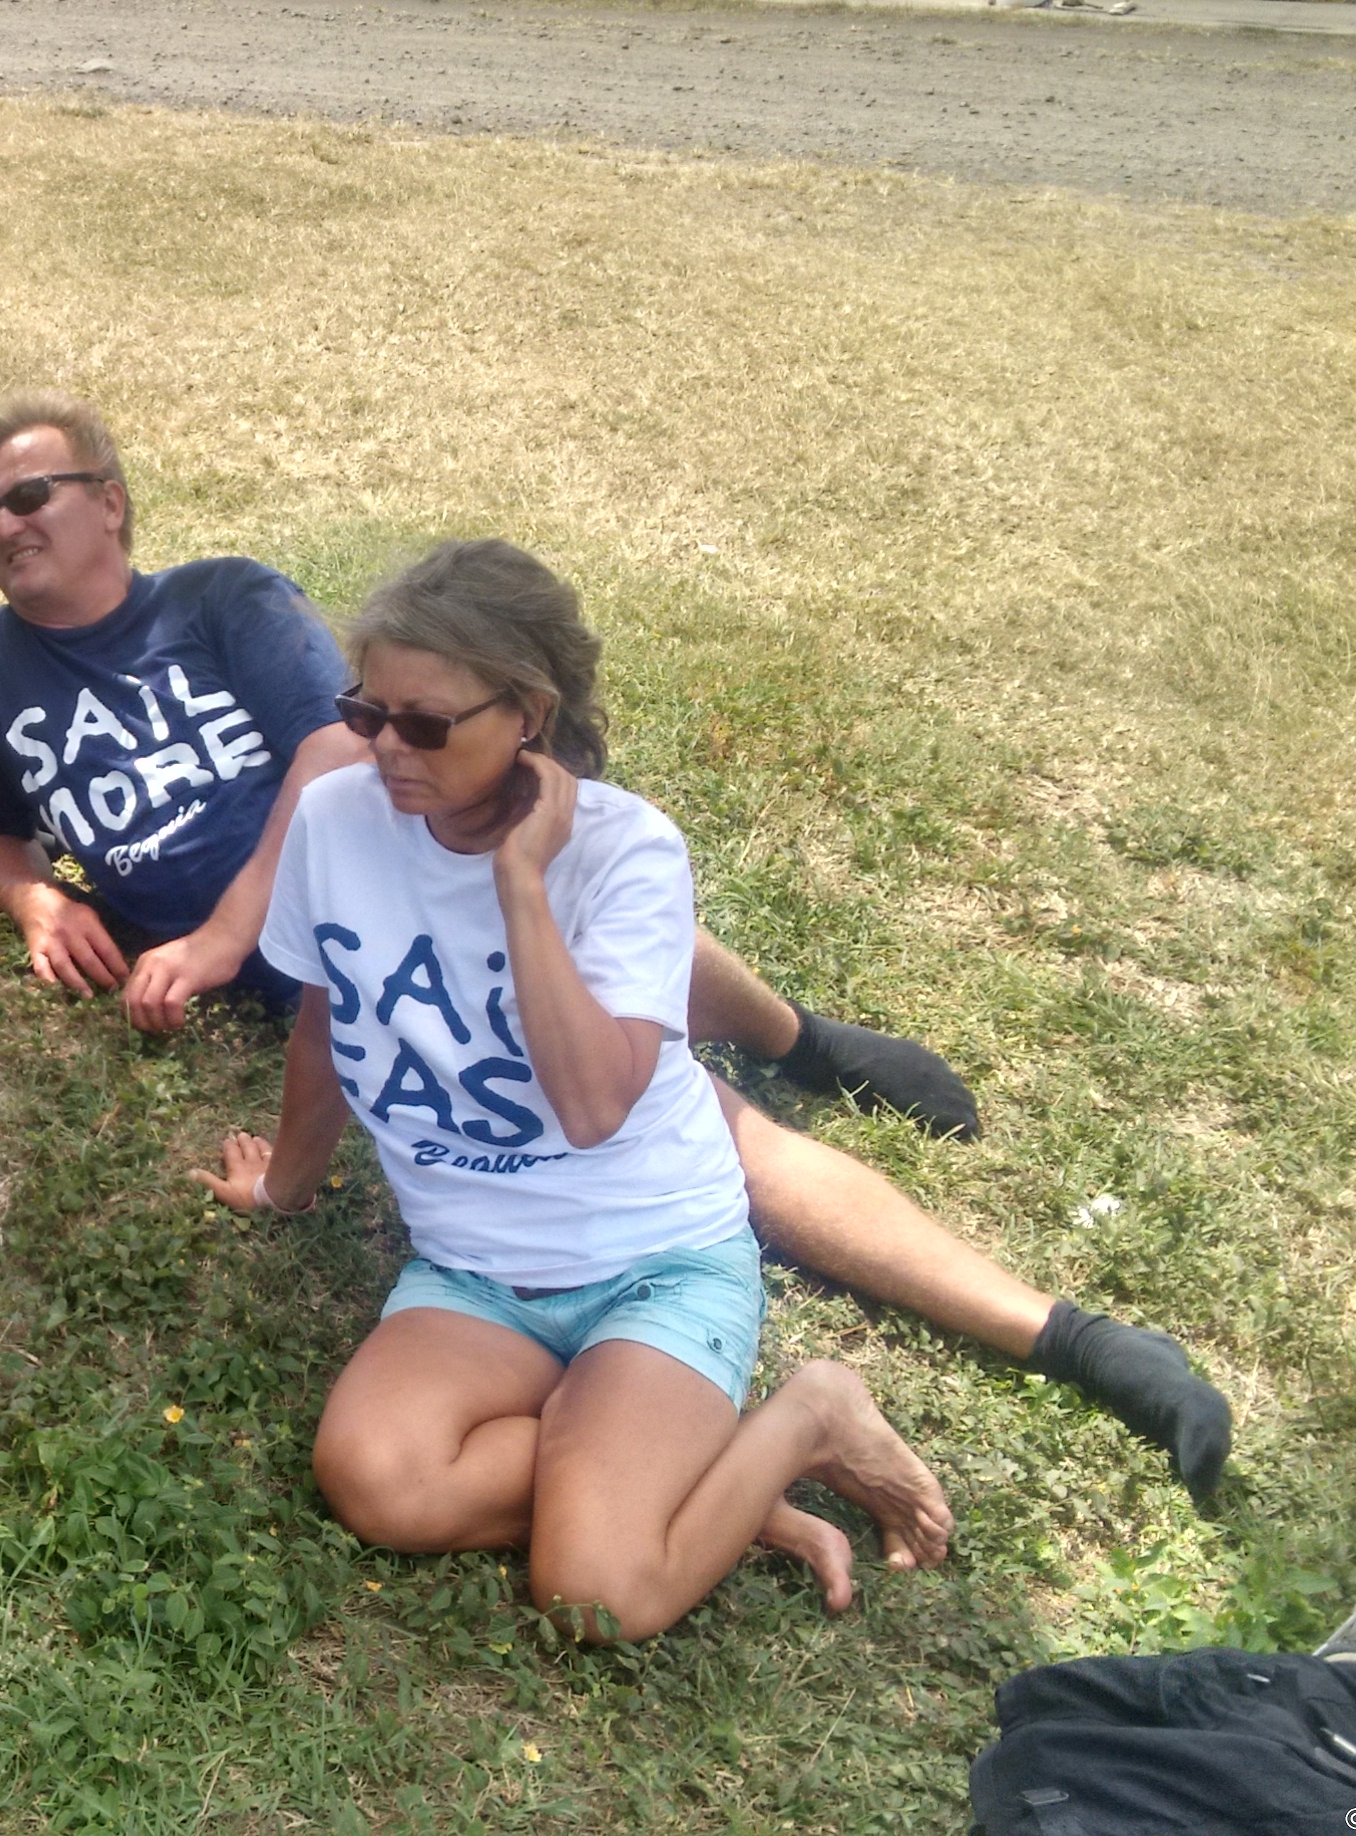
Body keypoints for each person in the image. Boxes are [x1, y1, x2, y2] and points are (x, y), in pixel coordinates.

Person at [0, 393, 1231, 1504]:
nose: (5, 526)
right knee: (599, 1038)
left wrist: (223, 932)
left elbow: (343, 748)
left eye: (30, 493)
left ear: (110, 499)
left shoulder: (220, 602)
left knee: (658, 1049)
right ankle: (726, 1426)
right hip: (348, 935)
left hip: (381, 873)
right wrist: (37, 902)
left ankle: (900, 1152)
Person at [196, 539, 951, 1634]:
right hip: (477, 1276)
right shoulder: (336, 819)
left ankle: (807, 1418)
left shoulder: (626, 855)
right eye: (368, 714)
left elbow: (595, 1107)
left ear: (529, 717)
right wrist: (287, 1190)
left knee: (595, 1597)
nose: (386, 750)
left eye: (425, 723)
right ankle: (693, 1485)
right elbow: (327, 1017)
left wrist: (519, 884)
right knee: (374, 1480)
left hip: (654, 1263)